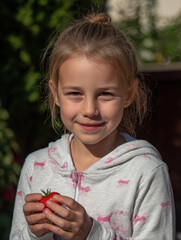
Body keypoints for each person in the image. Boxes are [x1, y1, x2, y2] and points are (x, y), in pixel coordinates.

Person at [10, 12, 175, 240]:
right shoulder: (36, 167)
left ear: (129, 94)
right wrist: (33, 233)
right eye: (75, 93)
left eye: (105, 94)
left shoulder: (145, 172)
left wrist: (92, 234)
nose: (89, 110)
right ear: (55, 93)